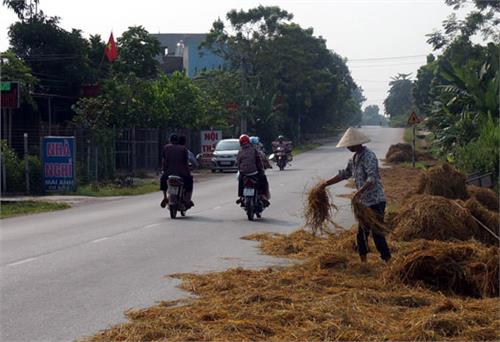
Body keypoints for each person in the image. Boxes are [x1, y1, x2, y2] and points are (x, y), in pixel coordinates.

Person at [322, 127, 391, 263]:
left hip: (375, 201)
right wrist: (325, 184)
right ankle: (363, 263)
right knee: (361, 234)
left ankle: (388, 260)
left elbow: (372, 179)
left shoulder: (369, 156)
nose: (348, 147)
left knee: (377, 233)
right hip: (364, 203)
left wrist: (358, 193)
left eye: (349, 145)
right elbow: (344, 174)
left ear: (357, 143)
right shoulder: (354, 158)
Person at [160, 133, 194, 209]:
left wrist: (163, 169)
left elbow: (163, 161)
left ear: (170, 140)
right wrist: (188, 171)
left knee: (163, 180)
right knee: (189, 181)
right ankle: (187, 199)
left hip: (168, 173)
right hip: (182, 173)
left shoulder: (166, 148)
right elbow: (185, 162)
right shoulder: (183, 149)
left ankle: (165, 197)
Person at [236, 134, 270, 207]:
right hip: (254, 172)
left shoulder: (240, 151)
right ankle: (263, 195)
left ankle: (241, 196)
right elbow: (259, 161)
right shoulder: (254, 150)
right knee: (263, 179)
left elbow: (238, 162)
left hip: (244, 173)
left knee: (240, 181)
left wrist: (240, 169)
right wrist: (261, 169)